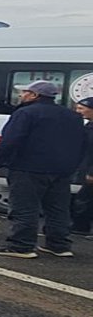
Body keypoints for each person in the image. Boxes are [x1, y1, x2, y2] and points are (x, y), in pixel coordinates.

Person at [0, 81, 87, 258]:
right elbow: (82, 144)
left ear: (34, 95)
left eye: (24, 92)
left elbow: (10, 140)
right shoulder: (72, 115)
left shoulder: (25, 113)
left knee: (25, 208)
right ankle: (59, 245)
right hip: (62, 170)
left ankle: (21, 246)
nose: (21, 95)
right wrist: (73, 165)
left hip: (28, 167)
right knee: (58, 209)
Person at [69, 97, 93, 237]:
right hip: (86, 166)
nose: (78, 111)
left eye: (81, 108)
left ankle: (80, 227)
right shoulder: (88, 125)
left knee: (83, 199)